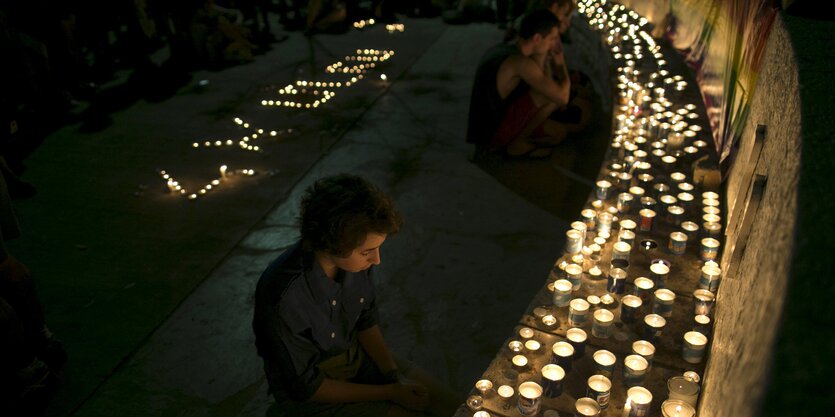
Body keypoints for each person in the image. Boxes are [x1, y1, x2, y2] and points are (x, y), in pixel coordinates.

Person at [252, 174, 459, 417]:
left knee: (451, 405)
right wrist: (390, 392)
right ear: (331, 244)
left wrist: (394, 376)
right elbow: (306, 387)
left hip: (356, 358)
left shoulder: (355, 265)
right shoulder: (283, 297)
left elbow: (365, 321)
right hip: (314, 392)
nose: (377, 260)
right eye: (367, 252)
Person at [466, 8, 573, 159]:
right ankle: (517, 144)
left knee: (558, 133)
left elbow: (543, 79)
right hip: (491, 136)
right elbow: (562, 97)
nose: (553, 44)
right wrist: (561, 67)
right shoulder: (520, 62)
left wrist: (543, 55)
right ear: (537, 39)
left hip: (484, 131)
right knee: (549, 97)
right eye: (552, 39)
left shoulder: (507, 48)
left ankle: (518, 141)